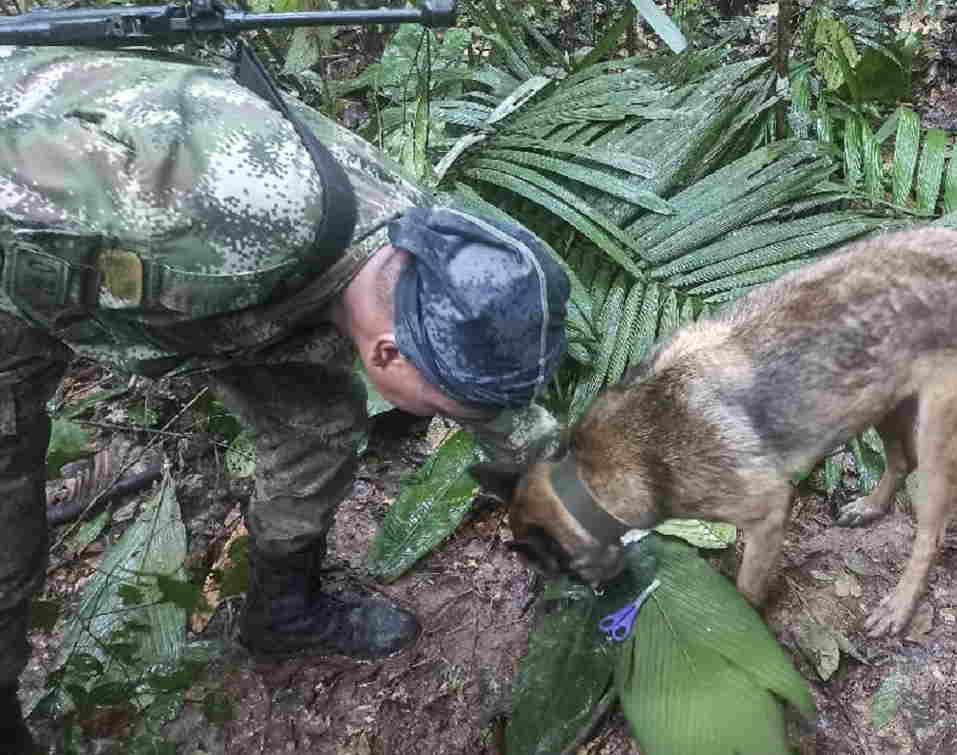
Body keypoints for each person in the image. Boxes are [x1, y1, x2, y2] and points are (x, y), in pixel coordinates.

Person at [0, 43, 568, 751]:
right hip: (24, 249)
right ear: (386, 353)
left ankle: (281, 611)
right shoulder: (219, 225)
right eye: (444, 407)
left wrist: (580, 518)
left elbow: (496, 405)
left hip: (193, 284)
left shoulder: (424, 255)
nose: (452, 418)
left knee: (319, 429)